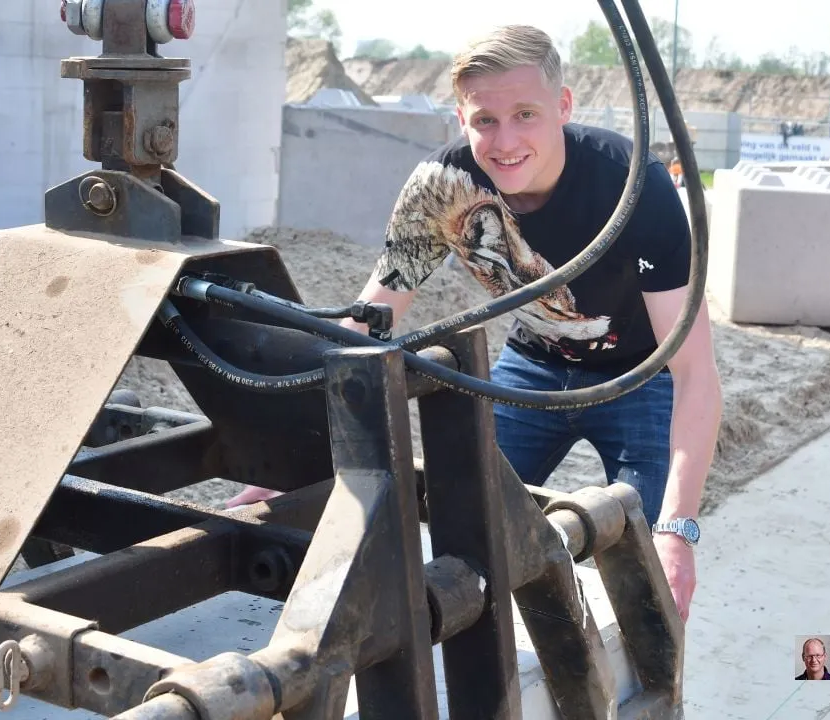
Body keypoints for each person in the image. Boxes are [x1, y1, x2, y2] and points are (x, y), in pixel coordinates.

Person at [226, 24, 722, 621]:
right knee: (462, 542)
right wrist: (289, 461)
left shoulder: (634, 185)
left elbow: (695, 372)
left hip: (639, 380)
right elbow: (364, 327)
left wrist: (678, 532)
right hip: (532, 368)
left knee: (647, 577)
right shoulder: (443, 189)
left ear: (563, 106)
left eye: (525, 114)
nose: (505, 140)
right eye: (485, 120)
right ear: (459, 117)